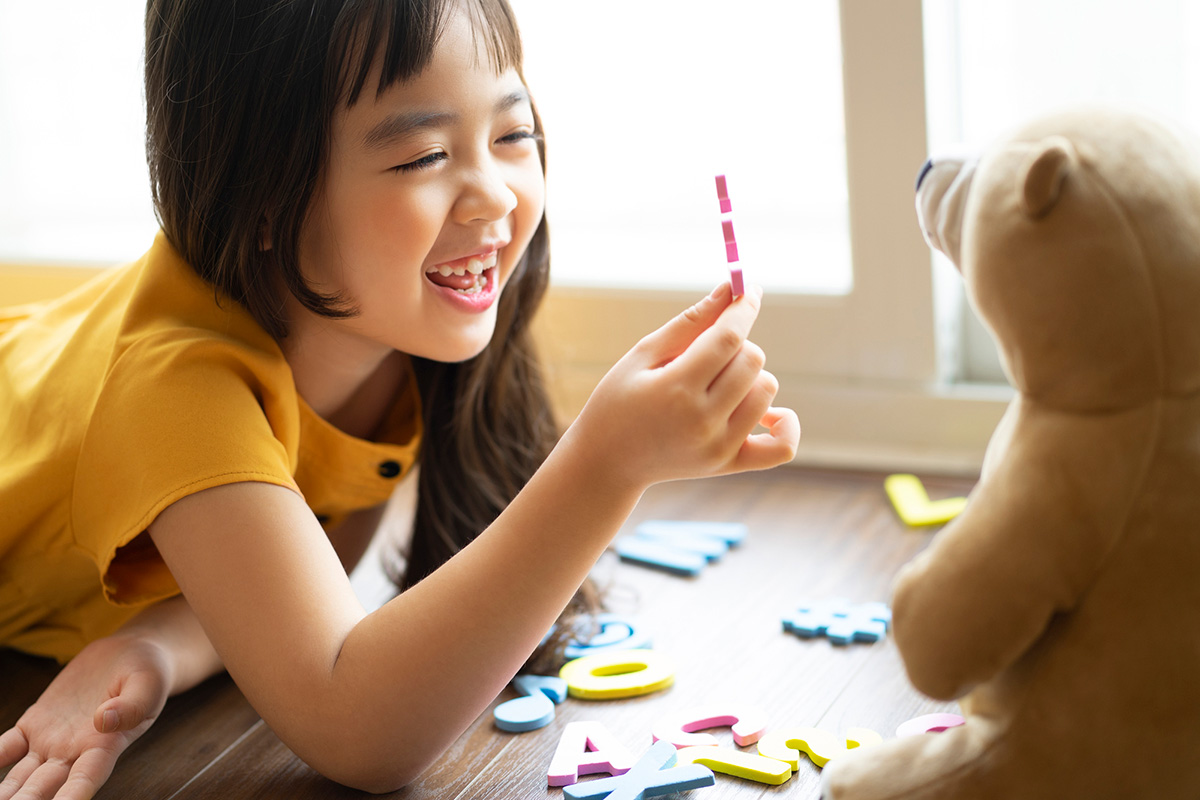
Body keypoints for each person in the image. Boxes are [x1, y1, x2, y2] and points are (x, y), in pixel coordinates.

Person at [0, 0, 800, 796]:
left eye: (512, 135)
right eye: (422, 157)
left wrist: (160, 646)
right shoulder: (176, 388)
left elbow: (315, 574)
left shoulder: (381, 325)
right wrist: (606, 465)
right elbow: (358, 732)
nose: (492, 196)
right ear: (265, 196)